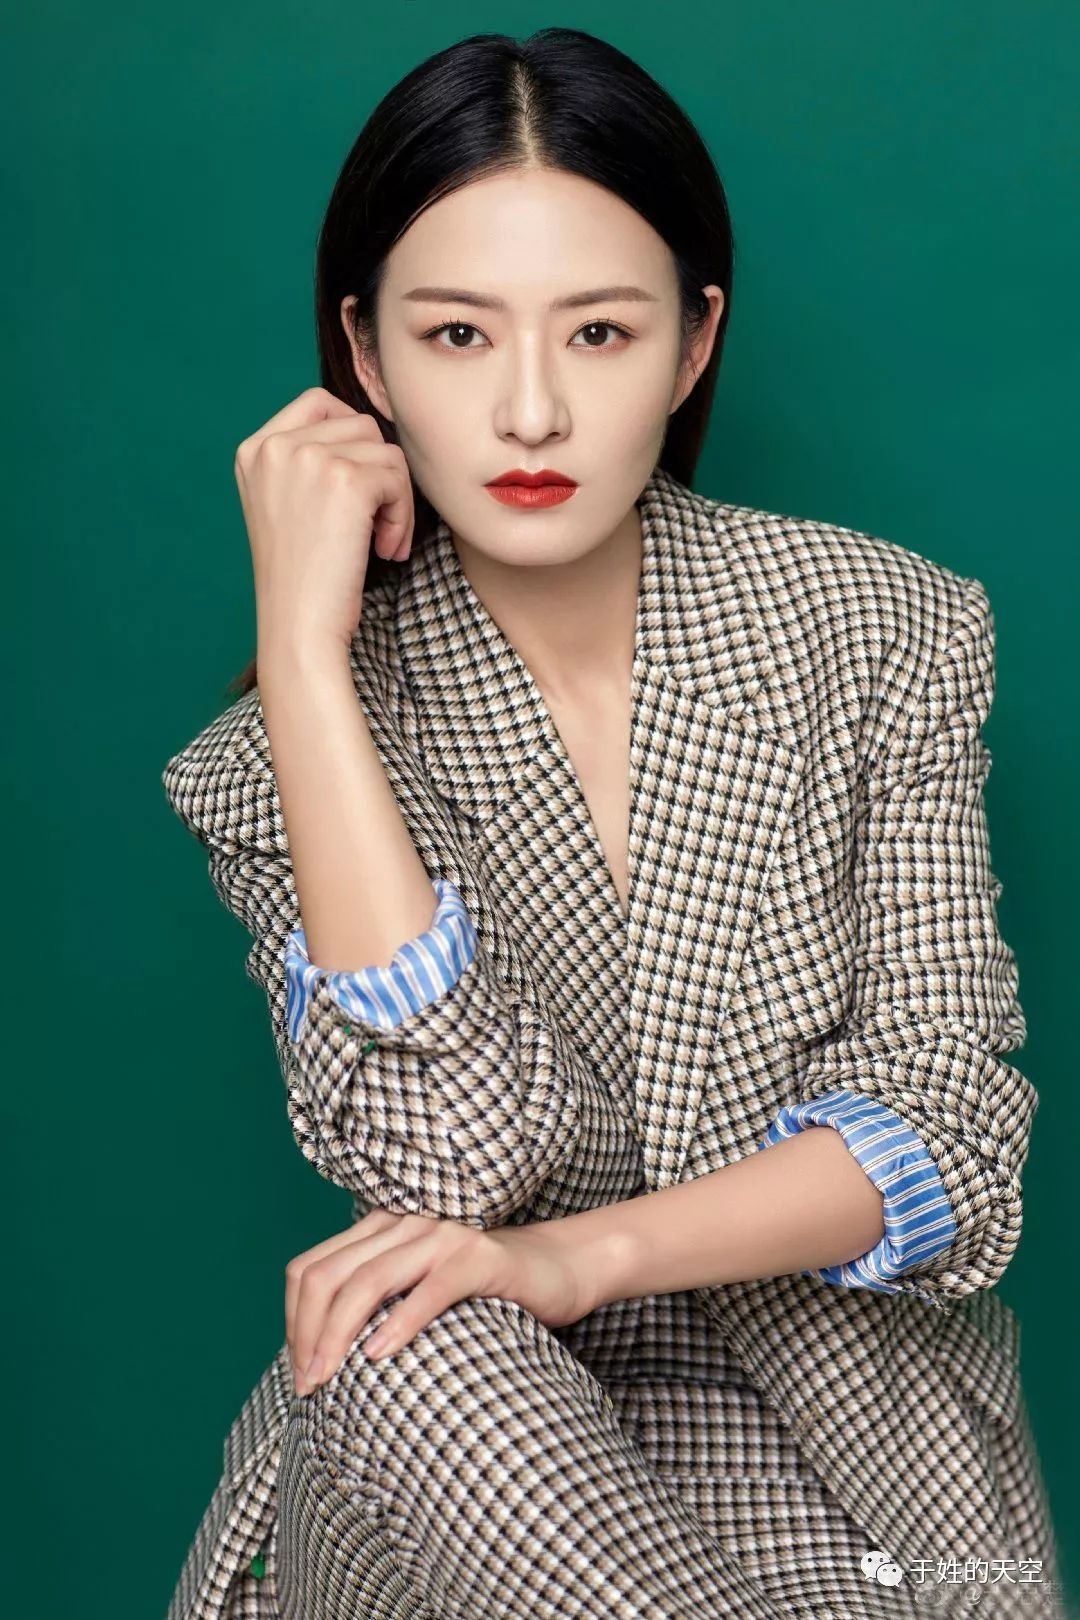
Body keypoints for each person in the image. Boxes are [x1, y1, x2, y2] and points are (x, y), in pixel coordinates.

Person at [161, 26, 1064, 1620]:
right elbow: (449, 1158)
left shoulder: (882, 629)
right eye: (456, 335)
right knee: (416, 1344)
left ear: (694, 343)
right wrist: (305, 659)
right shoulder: (276, 758)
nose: (530, 411)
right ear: (366, 358)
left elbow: (954, 1138)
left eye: (597, 331)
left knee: (440, 1319)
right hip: (458, 1476)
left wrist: (576, 1257)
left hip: (857, 1491)